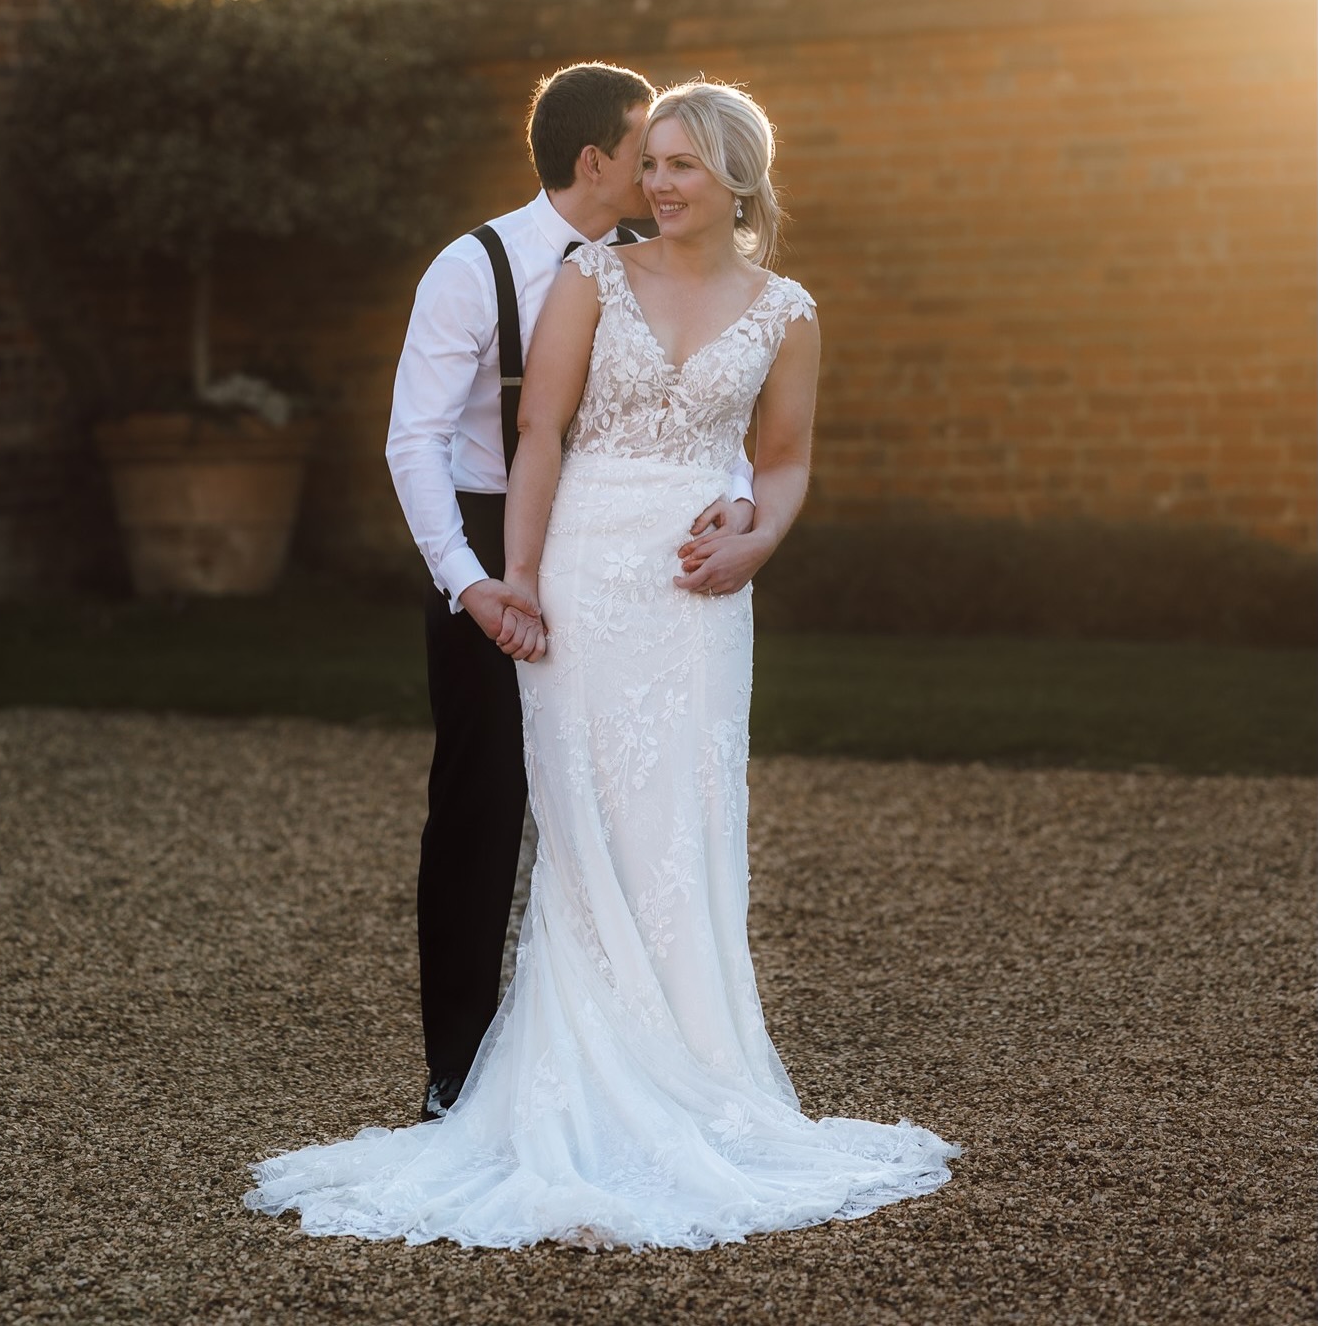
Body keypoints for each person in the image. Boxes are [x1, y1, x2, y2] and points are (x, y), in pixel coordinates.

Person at [245, 82, 959, 1248]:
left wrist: (759, 536)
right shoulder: (589, 278)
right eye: (653, 161)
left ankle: (697, 1067)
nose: (661, 183)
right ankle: (541, 1082)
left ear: (736, 177)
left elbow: (782, 461)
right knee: (575, 832)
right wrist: (515, 577)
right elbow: (538, 435)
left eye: (683, 165)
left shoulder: (787, 310)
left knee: (681, 822)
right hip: (582, 574)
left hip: (698, 599)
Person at [379, 63, 755, 1124]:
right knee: (483, 802)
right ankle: (457, 1069)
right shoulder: (475, 265)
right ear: (597, 161)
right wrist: (472, 581)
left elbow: (700, 405)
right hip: (491, 533)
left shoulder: (656, 261)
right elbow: (413, 439)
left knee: (634, 796)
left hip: (619, 539)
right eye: (648, 151)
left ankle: (637, 1057)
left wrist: (732, 498)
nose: (662, 170)